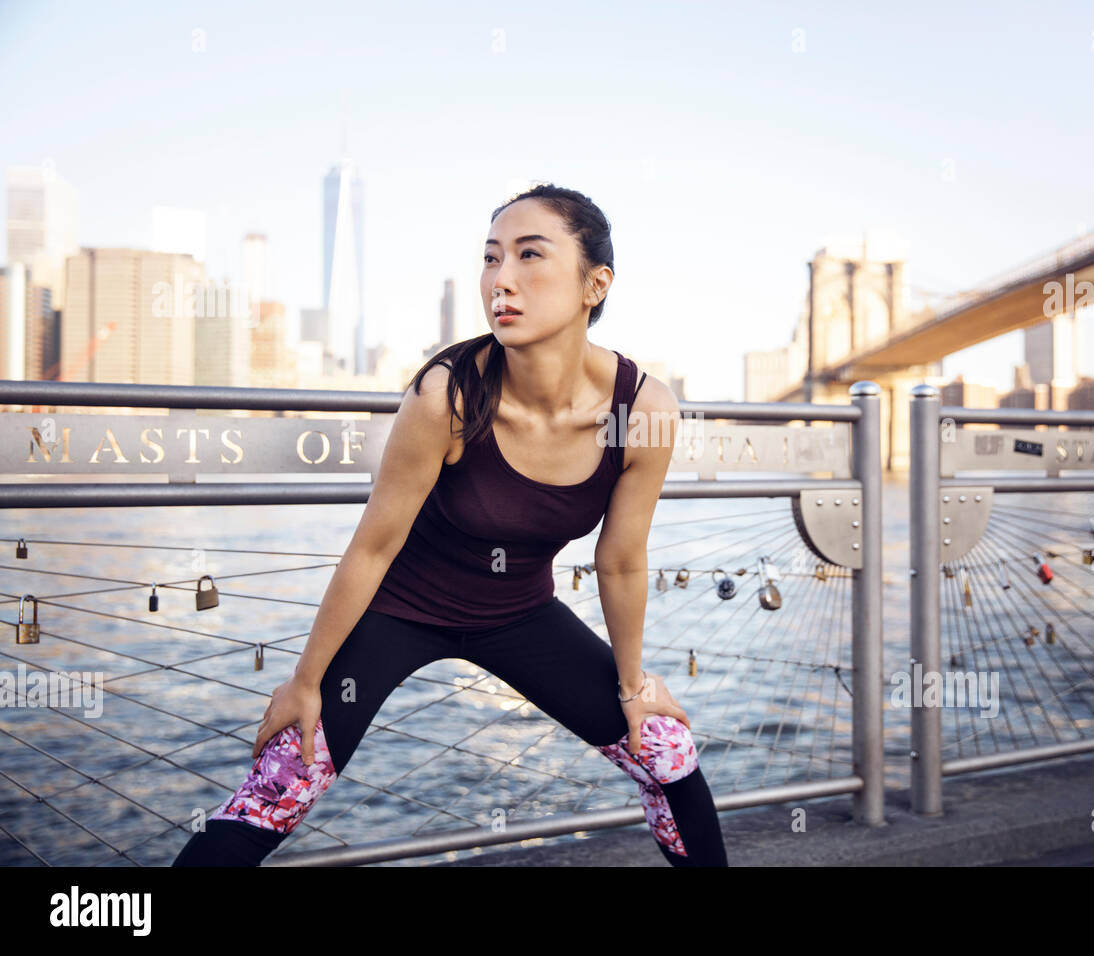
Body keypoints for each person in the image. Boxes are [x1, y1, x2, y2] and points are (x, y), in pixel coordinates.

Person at [173, 184, 728, 867]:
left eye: (530, 256)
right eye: (491, 259)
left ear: (595, 283)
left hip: (520, 612)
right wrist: (307, 679)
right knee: (281, 785)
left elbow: (620, 561)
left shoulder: (643, 408)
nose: (502, 280)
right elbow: (374, 546)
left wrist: (634, 685)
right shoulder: (447, 393)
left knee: (667, 753)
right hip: (399, 610)